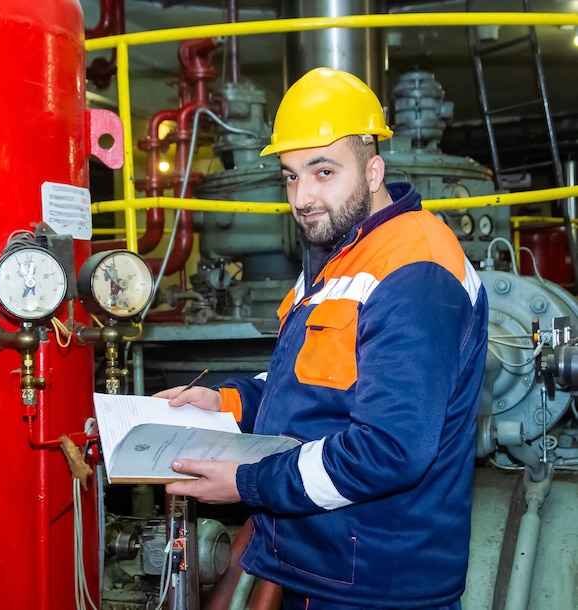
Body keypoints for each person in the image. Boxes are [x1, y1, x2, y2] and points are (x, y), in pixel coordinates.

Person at [156, 67, 489, 610]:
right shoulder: (341, 256)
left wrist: (249, 485)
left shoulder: (415, 271)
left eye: (324, 171)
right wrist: (226, 401)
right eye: (290, 176)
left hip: (378, 583)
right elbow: (310, 380)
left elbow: (390, 450)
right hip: (325, 570)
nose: (303, 196)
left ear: (374, 169)